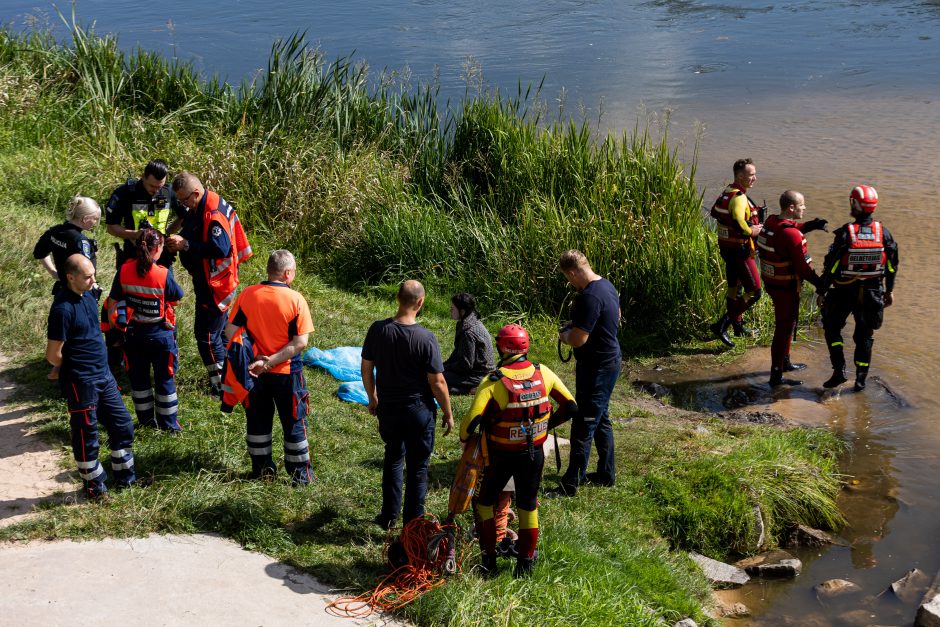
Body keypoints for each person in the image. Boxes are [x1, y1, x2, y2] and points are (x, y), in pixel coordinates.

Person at [461, 324, 577, 577]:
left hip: (500, 455)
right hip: (533, 453)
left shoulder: (493, 381)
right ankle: (525, 566)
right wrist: (546, 424)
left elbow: (468, 425)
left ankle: (489, 563)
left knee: (484, 505)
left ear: (502, 347)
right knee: (528, 506)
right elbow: (571, 406)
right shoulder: (543, 372)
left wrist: (467, 440)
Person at [361, 280, 454, 529]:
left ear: (397, 298)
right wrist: (448, 412)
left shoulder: (378, 330)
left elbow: (366, 368)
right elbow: (438, 382)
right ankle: (412, 526)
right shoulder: (426, 338)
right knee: (417, 468)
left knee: (393, 458)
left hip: (389, 408)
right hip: (418, 411)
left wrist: (373, 397)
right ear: (421, 302)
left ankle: (388, 516)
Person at [46, 254, 136, 499]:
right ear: (70, 277)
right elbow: (53, 355)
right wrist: (73, 365)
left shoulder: (88, 295)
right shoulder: (62, 310)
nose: (93, 280)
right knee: (87, 435)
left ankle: (125, 478)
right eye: (87, 277)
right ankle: (95, 487)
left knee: (123, 425)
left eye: (93, 274)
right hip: (81, 382)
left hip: (104, 376)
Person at [223, 250, 314, 485]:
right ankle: (300, 476)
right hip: (286, 373)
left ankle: (262, 471)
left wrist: (257, 358)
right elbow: (300, 342)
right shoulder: (296, 300)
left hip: (254, 373)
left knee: (257, 422)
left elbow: (230, 332)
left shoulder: (248, 294)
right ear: (287, 273)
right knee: (294, 422)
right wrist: (271, 361)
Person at [167, 172, 252, 397]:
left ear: (195, 193)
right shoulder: (203, 202)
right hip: (212, 280)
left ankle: (219, 387)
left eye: (185, 200)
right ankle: (231, 376)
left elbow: (220, 249)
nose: (184, 206)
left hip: (215, 284)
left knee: (205, 336)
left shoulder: (213, 215)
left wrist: (185, 245)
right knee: (221, 333)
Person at [818, 185, 899, 391]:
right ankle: (860, 381)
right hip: (872, 293)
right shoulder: (884, 233)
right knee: (865, 336)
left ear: (854, 204)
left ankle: (839, 370)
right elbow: (891, 266)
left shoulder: (847, 233)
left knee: (832, 328)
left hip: (844, 291)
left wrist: (821, 291)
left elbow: (832, 265)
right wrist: (889, 291)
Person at [554, 250, 621, 496]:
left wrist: (564, 335)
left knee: (584, 423)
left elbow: (579, 340)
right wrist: (577, 324)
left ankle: (570, 483)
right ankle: (606, 473)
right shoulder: (606, 286)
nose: (569, 282)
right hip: (610, 361)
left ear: (572, 272)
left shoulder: (589, 297)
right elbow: (615, 316)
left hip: (597, 368)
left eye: (567, 278)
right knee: (601, 417)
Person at [107, 228, 184, 432]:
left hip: (133, 336)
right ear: (158, 249)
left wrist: (116, 328)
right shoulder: (163, 274)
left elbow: (113, 300)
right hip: (160, 337)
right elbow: (177, 296)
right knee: (165, 381)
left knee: (139, 382)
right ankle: (169, 426)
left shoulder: (123, 270)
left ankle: (145, 423)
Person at [756, 191, 828, 386]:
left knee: (788, 325)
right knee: (783, 329)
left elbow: (788, 230)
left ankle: (785, 362)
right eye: (802, 205)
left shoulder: (771, 222)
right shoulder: (791, 235)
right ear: (791, 208)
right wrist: (821, 283)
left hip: (772, 282)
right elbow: (803, 268)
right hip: (786, 287)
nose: (804, 208)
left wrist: (811, 225)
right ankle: (776, 376)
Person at [33, 196, 101, 380]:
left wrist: (55, 273)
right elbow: (88, 270)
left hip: (63, 289)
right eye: (95, 219)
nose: (95, 223)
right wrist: (93, 288)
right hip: (80, 292)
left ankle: (57, 367)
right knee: (81, 332)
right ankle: (72, 369)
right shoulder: (81, 241)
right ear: (85, 219)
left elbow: (39, 252)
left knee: (62, 331)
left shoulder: (55, 232)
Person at [709, 158, 764, 347]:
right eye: (751, 175)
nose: (755, 178)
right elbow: (741, 224)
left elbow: (716, 213)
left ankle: (738, 327)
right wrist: (753, 231)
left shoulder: (727, 192)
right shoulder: (740, 198)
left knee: (734, 289)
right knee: (755, 291)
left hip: (727, 249)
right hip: (740, 252)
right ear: (740, 176)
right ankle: (721, 325)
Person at [105, 159, 186, 268]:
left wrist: (166, 234)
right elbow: (111, 227)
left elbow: (184, 217)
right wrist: (136, 234)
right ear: (143, 177)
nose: (156, 191)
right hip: (133, 255)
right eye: (152, 186)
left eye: (160, 186)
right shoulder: (125, 193)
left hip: (162, 258)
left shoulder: (170, 192)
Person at [443, 292, 495, 395]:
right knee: (437, 374)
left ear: (462, 311)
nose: (450, 310)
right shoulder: (467, 322)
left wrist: (446, 368)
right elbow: (458, 352)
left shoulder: (468, 332)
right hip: (474, 370)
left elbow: (466, 365)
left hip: (479, 375)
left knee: (436, 379)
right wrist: (444, 365)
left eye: (453, 308)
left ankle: (471, 390)